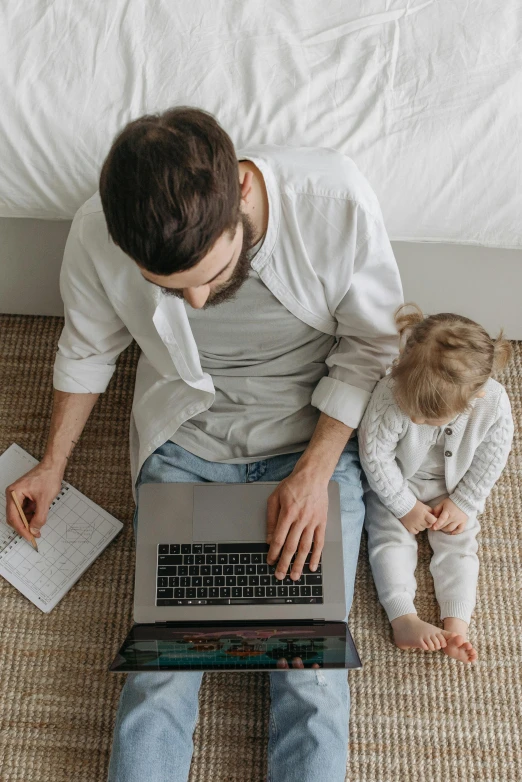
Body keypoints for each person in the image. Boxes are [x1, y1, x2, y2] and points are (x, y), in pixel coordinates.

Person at [5, 106, 403, 781]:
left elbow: (374, 344)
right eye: (170, 287)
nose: (193, 302)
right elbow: (89, 346)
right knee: (161, 676)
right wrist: (52, 464)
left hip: (308, 446)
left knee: (309, 681)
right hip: (188, 448)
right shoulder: (98, 233)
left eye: (210, 276)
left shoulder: (331, 200)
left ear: (240, 194)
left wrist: (313, 476)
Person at [358, 305, 514, 664]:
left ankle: (456, 626)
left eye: (427, 417)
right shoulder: (391, 392)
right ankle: (404, 620)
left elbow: (492, 456)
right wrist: (402, 504)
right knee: (388, 538)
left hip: (455, 488)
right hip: (398, 482)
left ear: (473, 400)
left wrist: (465, 501)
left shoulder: (493, 403)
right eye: (412, 410)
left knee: (460, 547)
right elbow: (375, 455)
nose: (414, 419)